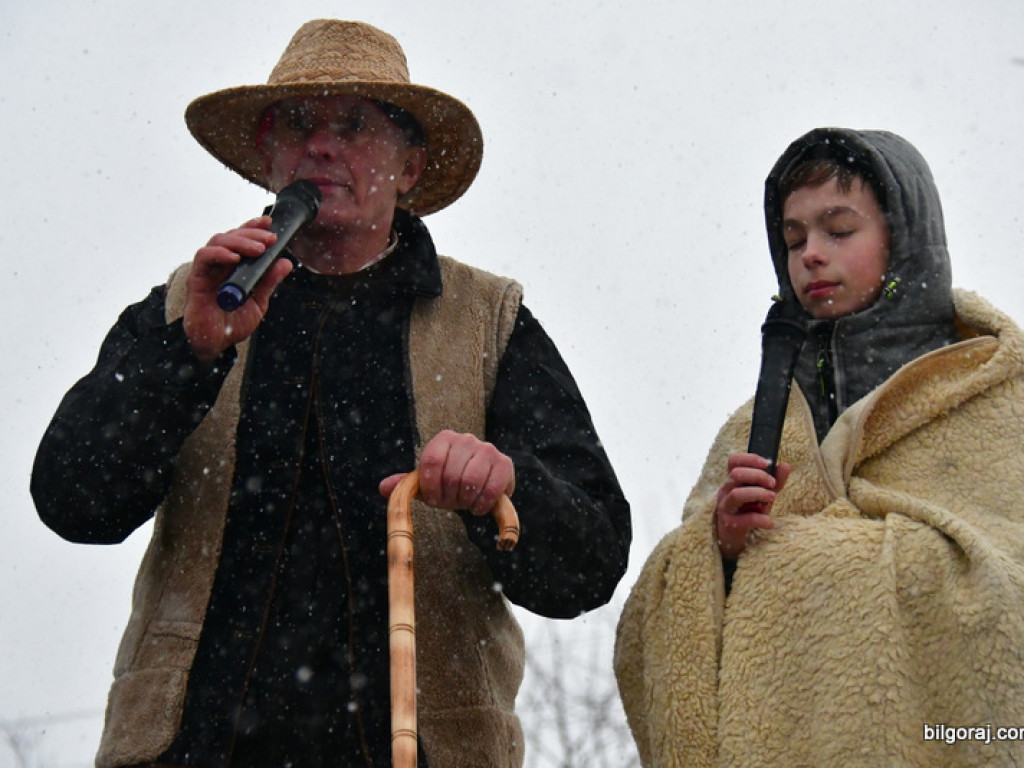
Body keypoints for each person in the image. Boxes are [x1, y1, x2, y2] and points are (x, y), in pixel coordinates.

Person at [31, 19, 631, 768]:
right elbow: (72, 502)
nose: (322, 146)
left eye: (354, 126)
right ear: (266, 157)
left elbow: (594, 560)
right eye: (299, 124)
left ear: (411, 168)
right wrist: (187, 355)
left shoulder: (488, 322)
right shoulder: (189, 304)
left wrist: (507, 491)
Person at [614, 127, 1024, 766]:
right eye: (794, 238)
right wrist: (716, 549)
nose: (810, 255)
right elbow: (664, 620)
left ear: (903, 236)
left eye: (838, 230)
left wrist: (802, 556)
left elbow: (1007, 579)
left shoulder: (991, 395)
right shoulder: (756, 427)